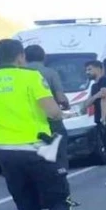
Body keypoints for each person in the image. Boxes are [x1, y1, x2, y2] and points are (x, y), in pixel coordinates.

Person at [0, 39, 72, 210]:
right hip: (37, 149)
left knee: (27, 208)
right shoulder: (30, 77)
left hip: (5, 152)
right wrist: (58, 111)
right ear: (20, 57)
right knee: (60, 199)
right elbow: (52, 110)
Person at [23, 44, 70, 174]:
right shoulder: (50, 73)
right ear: (44, 57)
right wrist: (66, 105)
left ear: (24, 57)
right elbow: (60, 98)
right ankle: (61, 174)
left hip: (28, 123)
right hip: (51, 120)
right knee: (59, 150)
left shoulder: (20, 75)